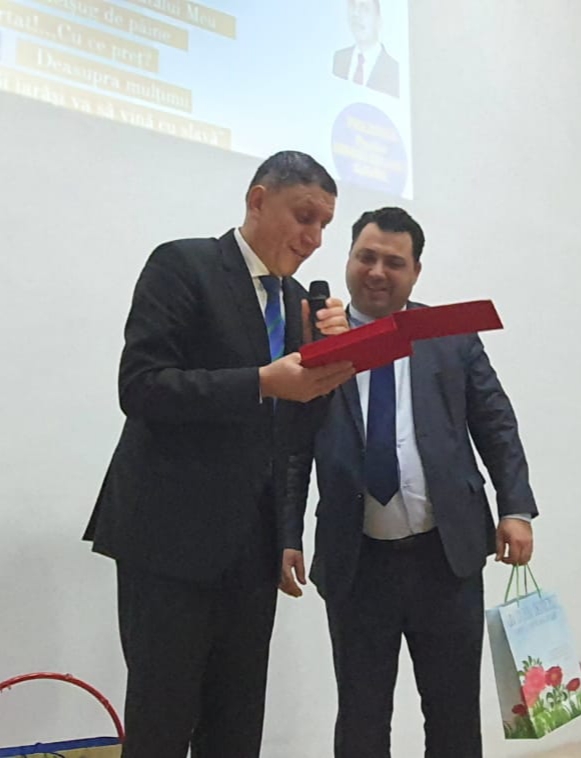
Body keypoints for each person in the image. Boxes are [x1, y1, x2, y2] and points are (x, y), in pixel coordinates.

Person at [83, 150, 355, 758]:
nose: (314, 238)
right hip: (169, 540)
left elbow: (294, 433)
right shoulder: (184, 264)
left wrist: (334, 365)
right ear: (258, 200)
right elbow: (141, 386)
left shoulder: (297, 303)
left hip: (251, 548)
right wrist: (260, 381)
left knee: (236, 727)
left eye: (324, 225)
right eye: (303, 216)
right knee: (161, 721)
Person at [280, 207, 538, 758]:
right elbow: (293, 447)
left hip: (446, 558)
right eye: (366, 257)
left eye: (394, 263)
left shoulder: (448, 335)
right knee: (361, 716)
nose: (377, 272)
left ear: (416, 271)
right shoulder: (313, 342)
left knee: (453, 715)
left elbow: (496, 423)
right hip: (357, 562)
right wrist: (287, 534)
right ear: (349, 259)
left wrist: (515, 508)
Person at [333, 0, 400, 98]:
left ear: (378, 21)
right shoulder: (339, 58)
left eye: (364, 8)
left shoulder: (394, 69)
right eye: (353, 7)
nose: (356, 14)